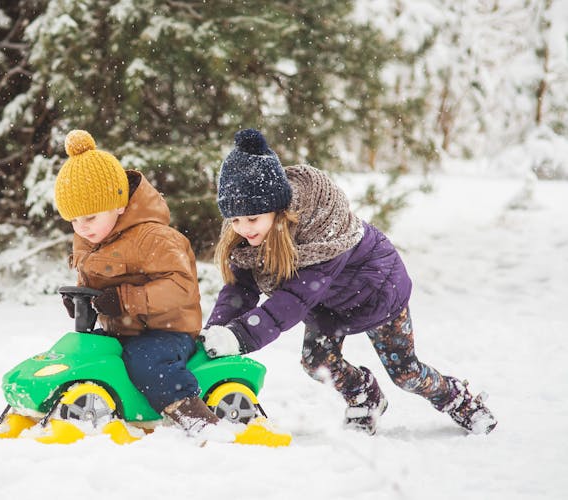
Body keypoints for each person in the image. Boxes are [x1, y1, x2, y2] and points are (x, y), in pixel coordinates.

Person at [199, 128, 497, 435]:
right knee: (316, 362)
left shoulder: (324, 231)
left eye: (252, 220)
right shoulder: (249, 235)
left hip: (377, 292)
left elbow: (292, 300)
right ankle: (365, 396)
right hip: (329, 305)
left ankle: (462, 402)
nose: (244, 229)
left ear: (279, 211)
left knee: (405, 373)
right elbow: (240, 290)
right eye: (235, 220)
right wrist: (216, 333)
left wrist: (240, 336)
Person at [53, 129, 224, 438]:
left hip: (167, 332)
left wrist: (125, 300)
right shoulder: (89, 238)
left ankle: (193, 416)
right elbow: (92, 279)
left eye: (89, 217)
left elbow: (181, 287)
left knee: (146, 361)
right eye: (74, 221)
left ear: (119, 204)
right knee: (89, 354)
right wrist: (85, 302)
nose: (82, 228)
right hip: (123, 330)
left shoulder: (154, 238)